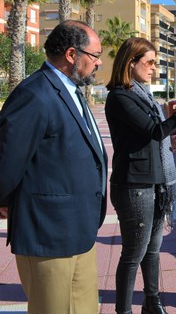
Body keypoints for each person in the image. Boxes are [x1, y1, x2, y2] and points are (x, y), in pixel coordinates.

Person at [0, 20, 108, 313]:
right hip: (47, 235)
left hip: (78, 232)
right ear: (72, 54)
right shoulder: (35, 94)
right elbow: (7, 158)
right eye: (94, 56)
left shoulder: (70, 91)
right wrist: (6, 201)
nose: (98, 63)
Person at [105, 37, 176, 314]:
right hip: (134, 185)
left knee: (152, 250)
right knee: (134, 253)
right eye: (150, 62)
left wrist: (169, 144)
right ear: (131, 63)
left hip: (155, 182)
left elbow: (153, 135)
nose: (154, 68)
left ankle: (152, 303)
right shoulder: (120, 96)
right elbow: (153, 130)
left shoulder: (143, 94)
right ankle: (124, 310)